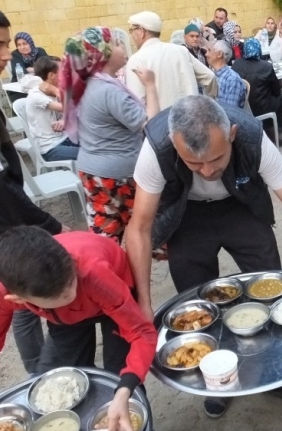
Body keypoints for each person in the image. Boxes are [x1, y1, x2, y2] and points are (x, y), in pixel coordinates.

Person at [125, 95, 282, 417]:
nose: (207, 171)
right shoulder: (157, 147)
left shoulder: (252, 137)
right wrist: (144, 304)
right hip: (187, 215)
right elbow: (139, 228)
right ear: (173, 144)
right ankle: (218, 375)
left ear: (232, 133)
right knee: (198, 310)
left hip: (241, 205)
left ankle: (277, 375)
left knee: (272, 289)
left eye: (217, 158)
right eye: (194, 163)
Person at [0, 227, 158, 431]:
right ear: (19, 300)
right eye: (62, 297)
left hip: (108, 288)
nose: (72, 294)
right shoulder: (6, 293)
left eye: (71, 284)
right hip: (64, 318)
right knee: (71, 377)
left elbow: (142, 333)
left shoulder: (90, 273)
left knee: (119, 372)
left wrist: (125, 388)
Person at [0, 11, 69, 375]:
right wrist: (49, 224)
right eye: (0, 44)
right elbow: (5, 190)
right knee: (24, 302)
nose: (6, 55)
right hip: (9, 230)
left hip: (11, 221)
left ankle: (40, 371)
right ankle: (39, 375)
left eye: (7, 44)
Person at [61, 26, 160, 243]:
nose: (122, 46)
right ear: (102, 53)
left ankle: (105, 271)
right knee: (144, 231)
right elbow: (151, 125)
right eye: (116, 43)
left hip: (92, 169)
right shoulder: (109, 90)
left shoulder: (87, 85)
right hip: (120, 175)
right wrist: (151, 86)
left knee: (106, 235)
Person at [126, 11, 217, 109]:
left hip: (161, 121)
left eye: (131, 30)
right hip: (191, 117)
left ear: (141, 31)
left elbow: (137, 104)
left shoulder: (137, 60)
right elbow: (210, 77)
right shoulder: (181, 51)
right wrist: (208, 101)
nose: (131, 35)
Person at [232, 39, 282, 146]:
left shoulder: (236, 64)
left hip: (242, 106)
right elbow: (276, 91)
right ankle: (278, 132)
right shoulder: (266, 66)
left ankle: (267, 127)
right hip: (261, 107)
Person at [25, 56, 79, 162]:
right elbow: (69, 109)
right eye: (62, 71)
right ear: (51, 75)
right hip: (50, 148)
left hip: (65, 138)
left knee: (97, 144)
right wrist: (56, 91)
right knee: (90, 154)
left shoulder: (58, 88)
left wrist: (63, 120)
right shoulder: (36, 95)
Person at [8, 31, 47, 103]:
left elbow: (47, 67)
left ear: (30, 43)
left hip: (40, 86)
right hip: (20, 90)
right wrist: (38, 69)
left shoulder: (40, 51)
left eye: (25, 44)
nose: (22, 47)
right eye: (19, 45)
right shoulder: (15, 54)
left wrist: (30, 69)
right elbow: (18, 71)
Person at [206, 40, 246, 110]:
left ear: (219, 54)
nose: (206, 54)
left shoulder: (232, 79)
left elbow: (230, 113)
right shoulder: (214, 75)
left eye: (209, 50)